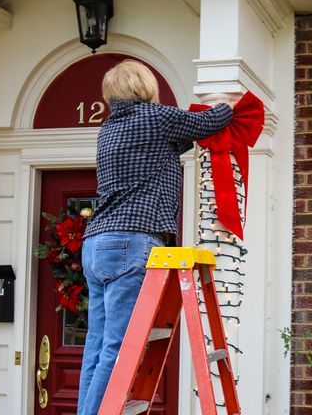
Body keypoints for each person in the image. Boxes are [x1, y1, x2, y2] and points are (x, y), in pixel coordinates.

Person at [77, 60, 234, 415]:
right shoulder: (152, 117)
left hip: (96, 244)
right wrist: (231, 104)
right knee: (117, 348)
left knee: (97, 345)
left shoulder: (108, 129)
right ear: (145, 88)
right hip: (131, 240)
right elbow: (208, 122)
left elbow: (171, 147)